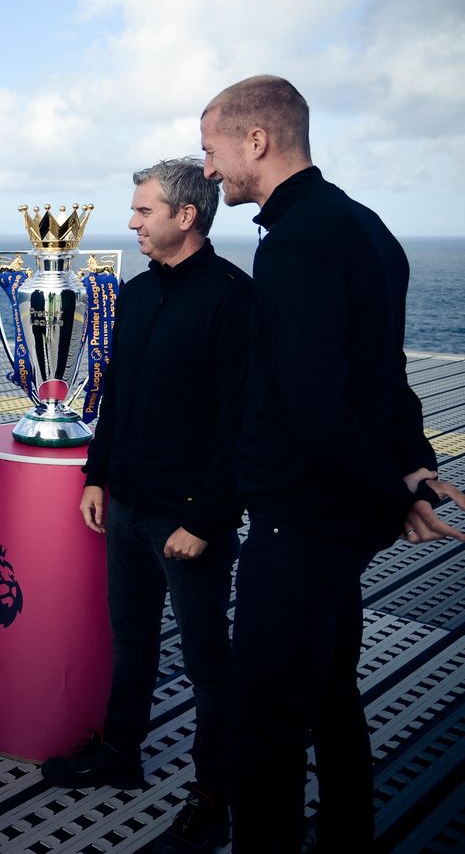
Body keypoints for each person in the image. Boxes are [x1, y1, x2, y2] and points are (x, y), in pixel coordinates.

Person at [199, 74, 465, 851]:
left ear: (258, 139)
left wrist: (394, 491)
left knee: (262, 734)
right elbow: (381, 375)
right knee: (332, 697)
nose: (209, 170)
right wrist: (410, 468)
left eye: (213, 150)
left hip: (300, 529)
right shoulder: (368, 228)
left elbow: (315, 406)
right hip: (337, 525)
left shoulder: (296, 248)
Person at [40, 158, 249, 853]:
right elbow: (118, 396)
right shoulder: (133, 293)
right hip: (125, 507)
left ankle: (212, 796)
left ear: (185, 217)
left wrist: (205, 520)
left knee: (207, 665)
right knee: (130, 644)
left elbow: (241, 425)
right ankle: (119, 757)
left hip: (187, 522)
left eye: (142, 211)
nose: (130, 222)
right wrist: (97, 475)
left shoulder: (231, 298)